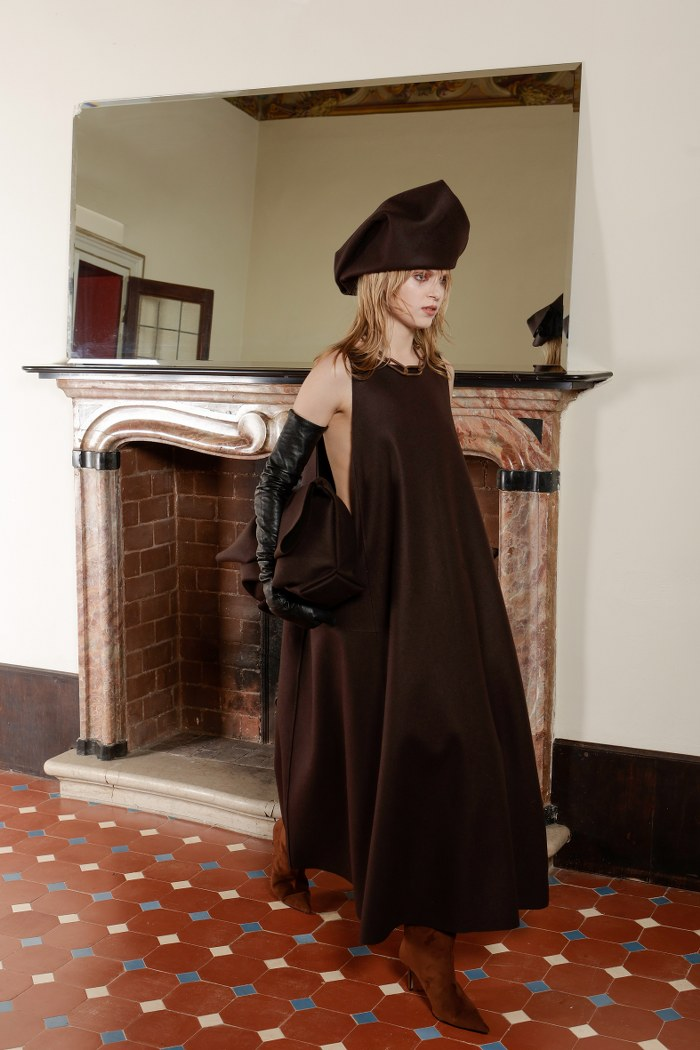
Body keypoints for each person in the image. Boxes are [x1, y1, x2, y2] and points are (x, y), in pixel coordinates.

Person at [253, 181, 549, 1033]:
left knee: (442, 745)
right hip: (366, 595)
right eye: (422, 275)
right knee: (367, 746)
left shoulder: (438, 372)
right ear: (384, 278)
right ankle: (309, 852)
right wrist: (272, 580)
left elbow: (430, 484)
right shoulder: (337, 372)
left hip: (442, 585)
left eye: (444, 278)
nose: (436, 292)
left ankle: (424, 940)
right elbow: (276, 478)